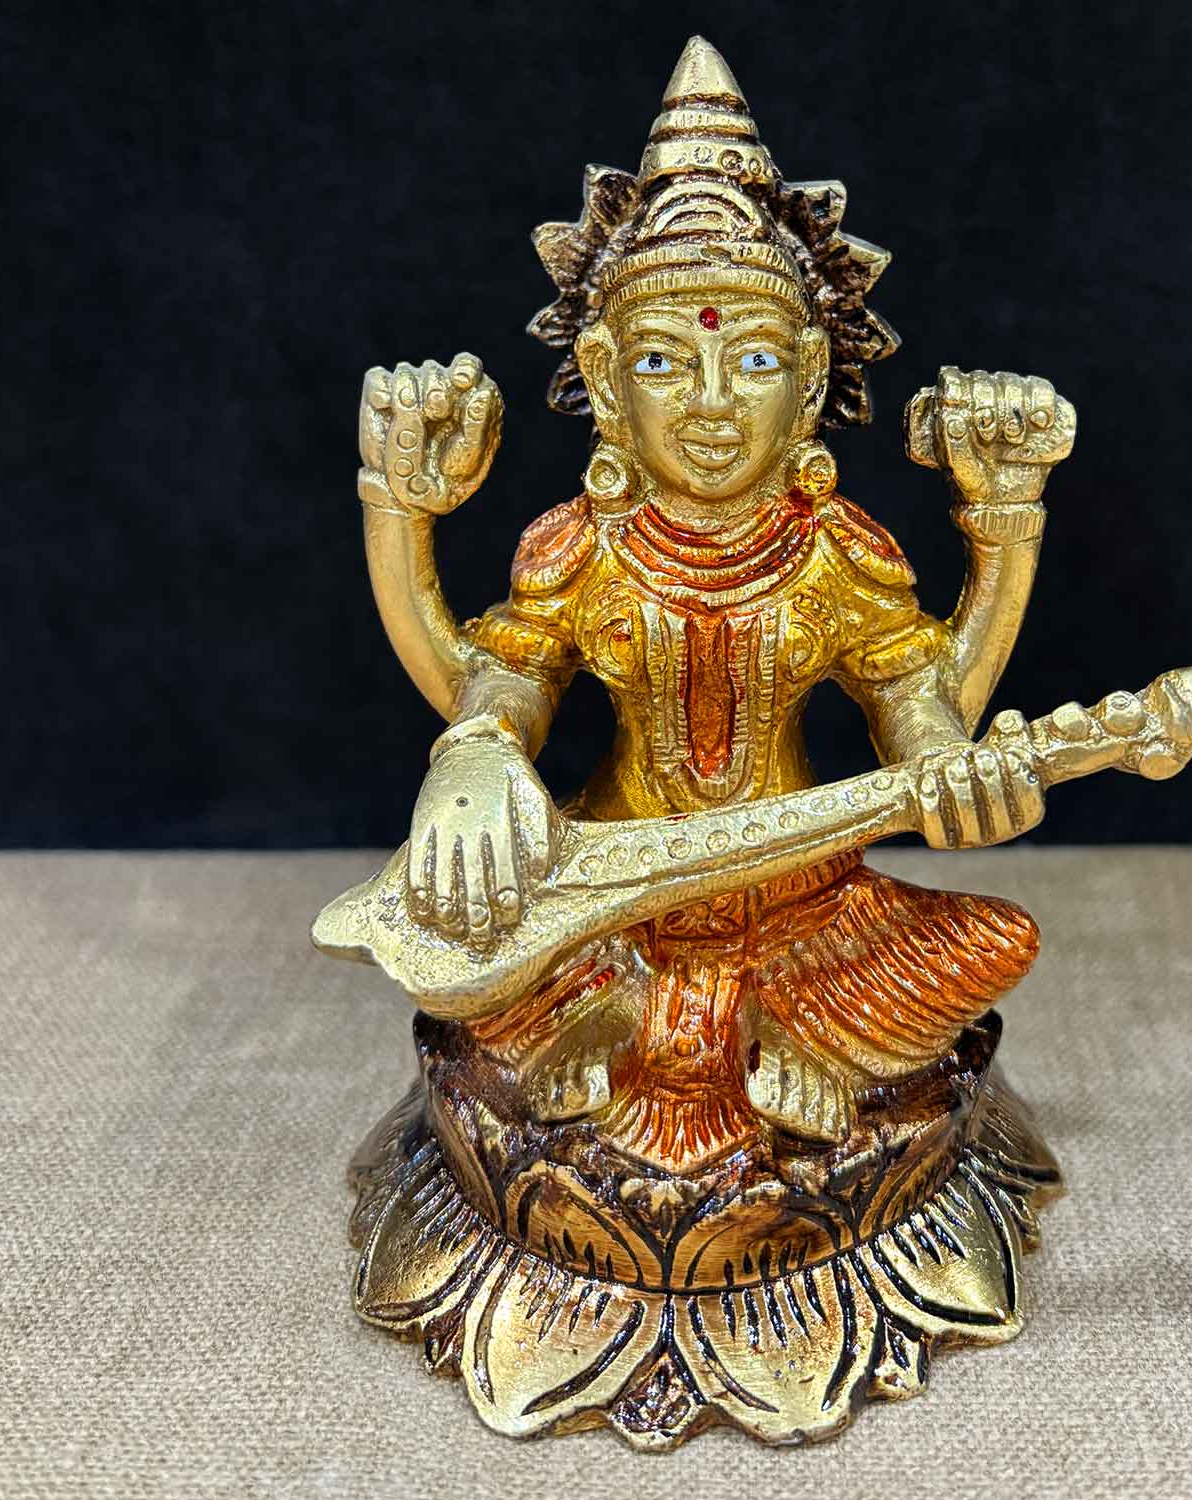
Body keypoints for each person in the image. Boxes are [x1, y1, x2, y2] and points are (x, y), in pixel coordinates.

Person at [353, 38, 1074, 1170]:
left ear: (812, 376)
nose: (710, 403)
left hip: (802, 907)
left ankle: (696, 1034)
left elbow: (921, 706)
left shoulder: (833, 551)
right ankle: (718, 1038)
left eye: (754, 363)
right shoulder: (584, 547)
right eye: (660, 363)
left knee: (989, 940)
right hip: (612, 902)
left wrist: (999, 551)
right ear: (602, 376)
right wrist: (471, 735)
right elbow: (498, 686)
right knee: (464, 938)